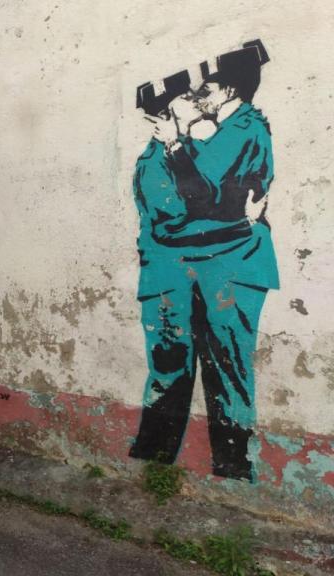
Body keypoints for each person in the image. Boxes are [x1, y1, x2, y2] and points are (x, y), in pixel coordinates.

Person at [132, 41, 276, 480]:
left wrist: (180, 151)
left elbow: (206, 202)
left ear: (228, 90)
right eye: (188, 95)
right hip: (175, 270)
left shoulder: (245, 130)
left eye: (202, 90)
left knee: (224, 366)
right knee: (170, 368)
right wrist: (178, 150)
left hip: (227, 267)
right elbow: (169, 213)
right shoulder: (159, 153)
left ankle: (232, 469)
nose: (196, 97)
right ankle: (155, 463)